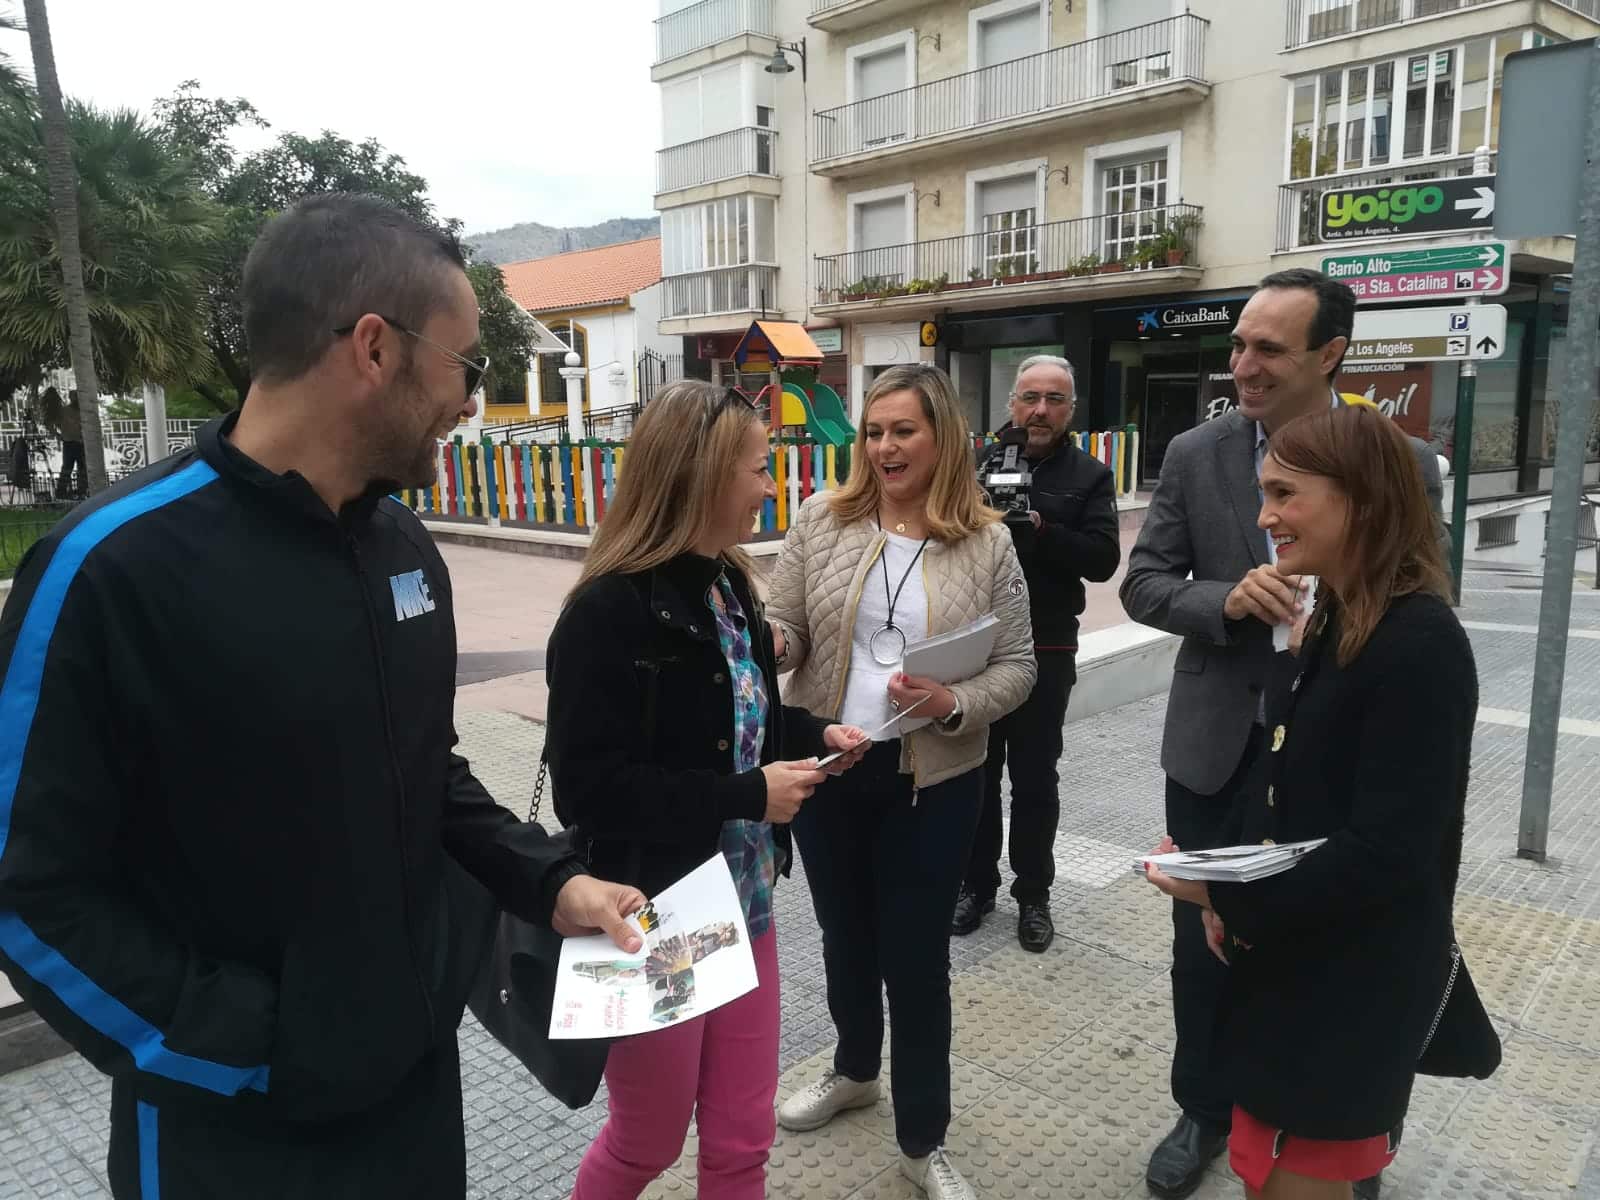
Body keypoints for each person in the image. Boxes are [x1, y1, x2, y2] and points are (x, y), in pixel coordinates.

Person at [0, 193, 643, 1200]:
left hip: (413, 1106)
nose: (471, 399)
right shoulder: (107, 569)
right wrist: (246, 1051)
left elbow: (422, 768)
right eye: (465, 366)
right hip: (231, 1136)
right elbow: (27, 889)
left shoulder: (404, 551)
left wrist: (550, 881)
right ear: (375, 350)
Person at [1120, 268, 1443, 1200]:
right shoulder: (1194, 451)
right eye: (1238, 345)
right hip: (1220, 747)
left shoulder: (1398, 462)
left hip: (1338, 753)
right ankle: (1206, 1108)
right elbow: (1145, 582)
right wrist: (1223, 599)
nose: (1243, 366)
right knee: (1207, 944)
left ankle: (1347, 1131)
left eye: (1268, 348)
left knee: (1341, 939)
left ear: (1330, 355)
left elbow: (1421, 592)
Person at [545, 379, 868, 1200]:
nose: (771, 487)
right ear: (699, 476)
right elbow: (589, 793)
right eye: (758, 469)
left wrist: (815, 736)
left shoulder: (730, 589)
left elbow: (743, 724)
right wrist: (745, 797)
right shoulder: (606, 613)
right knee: (646, 1144)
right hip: (655, 919)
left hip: (746, 908)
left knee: (739, 1144)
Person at [766, 363, 1037, 1200]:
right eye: (874, 431)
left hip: (937, 779)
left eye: (902, 431)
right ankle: (854, 1071)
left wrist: (955, 699)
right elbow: (787, 622)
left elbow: (1020, 666)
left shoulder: (986, 541)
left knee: (915, 961)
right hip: (832, 766)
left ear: (941, 437)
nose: (884, 447)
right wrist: (769, 645)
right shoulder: (821, 519)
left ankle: (924, 1140)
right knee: (844, 937)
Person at [954, 353, 1121, 952]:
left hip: (1047, 646)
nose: (1040, 410)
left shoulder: (1089, 475)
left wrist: (1040, 527)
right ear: (1012, 404)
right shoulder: (978, 464)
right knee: (975, 774)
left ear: (1071, 410)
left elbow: (1103, 561)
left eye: (1054, 399)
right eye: (1030, 398)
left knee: (1033, 779)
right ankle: (976, 886)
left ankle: (1034, 895)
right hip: (976, 646)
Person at [38, 385, 85, 498]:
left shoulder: (84, 411)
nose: (76, 399)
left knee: (83, 469)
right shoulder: (64, 411)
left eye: (77, 397)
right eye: (74, 397)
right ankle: (61, 493)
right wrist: (57, 435)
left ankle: (82, 491)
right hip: (69, 443)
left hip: (82, 444)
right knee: (67, 469)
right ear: (70, 398)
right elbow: (48, 423)